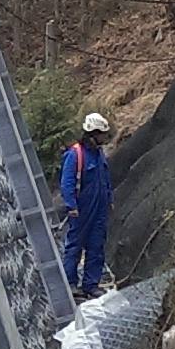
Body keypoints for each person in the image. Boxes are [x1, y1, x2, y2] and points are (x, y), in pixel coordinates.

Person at [59, 112, 114, 300]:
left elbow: (104, 179)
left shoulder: (98, 154)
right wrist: (71, 205)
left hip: (98, 208)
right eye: (102, 134)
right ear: (93, 133)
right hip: (81, 209)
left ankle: (91, 284)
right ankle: (71, 283)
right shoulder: (76, 155)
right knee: (75, 245)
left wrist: (109, 200)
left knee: (96, 245)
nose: (104, 138)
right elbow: (67, 183)